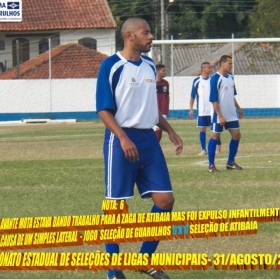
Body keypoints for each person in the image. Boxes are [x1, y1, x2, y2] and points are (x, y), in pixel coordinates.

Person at [95, 17, 183, 279]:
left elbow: (150, 108)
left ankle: (144, 260)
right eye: (146, 32)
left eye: (151, 32)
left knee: (165, 200)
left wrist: (169, 130)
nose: (151, 37)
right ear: (130, 36)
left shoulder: (148, 65)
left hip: (148, 139)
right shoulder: (111, 66)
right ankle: (113, 271)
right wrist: (122, 137)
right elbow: (103, 109)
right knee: (116, 206)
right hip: (120, 140)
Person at [207, 55, 244, 172]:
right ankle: (211, 165)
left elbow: (231, 95)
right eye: (229, 64)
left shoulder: (231, 77)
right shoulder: (215, 79)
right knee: (215, 136)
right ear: (222, 64)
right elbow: (214, 100)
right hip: (219, 114)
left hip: (231, 113)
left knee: (237, 135)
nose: (231, 66)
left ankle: (230, 162)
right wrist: (220, 115)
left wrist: (238, 108)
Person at [189, 62, 221, 155]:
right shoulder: (197, 81)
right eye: (209, 68)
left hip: (212, 110)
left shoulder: (213, 80)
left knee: (214, 129)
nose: (211, 69)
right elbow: (192, 96)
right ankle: (203, 149)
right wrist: (191, 108)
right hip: (202, 110)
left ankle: (217, 146)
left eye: (211, 68)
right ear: (203, 69)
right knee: (202, 129)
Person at [154, 64, 169, 142]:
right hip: (153, 110)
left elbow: (167, 96)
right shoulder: (152, 83)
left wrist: (167, 108)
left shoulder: (165, 83)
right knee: (154, 129)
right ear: (157, 72)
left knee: (159, 130)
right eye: (163, 71)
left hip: (163, 110)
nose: (165, 72)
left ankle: (155, 146)